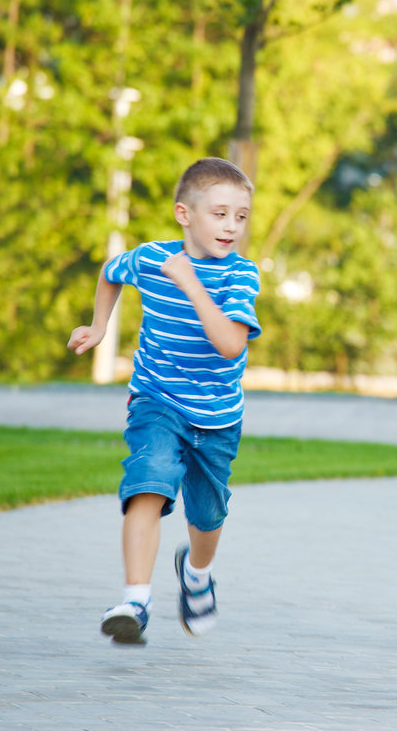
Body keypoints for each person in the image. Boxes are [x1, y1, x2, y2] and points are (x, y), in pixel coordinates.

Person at [67, 157, 261, 645]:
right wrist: (99, 325)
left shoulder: (241, 276)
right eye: (219, 213)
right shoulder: (151, 257)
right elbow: (111, 273)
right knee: (147, 481)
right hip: (156, 399)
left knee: (208, 514)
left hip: (217, 417)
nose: (231, 226)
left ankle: (196, 572)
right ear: (185, 214)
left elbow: (232, 345)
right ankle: (134, 599)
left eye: (241, 216)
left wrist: (191, 283)